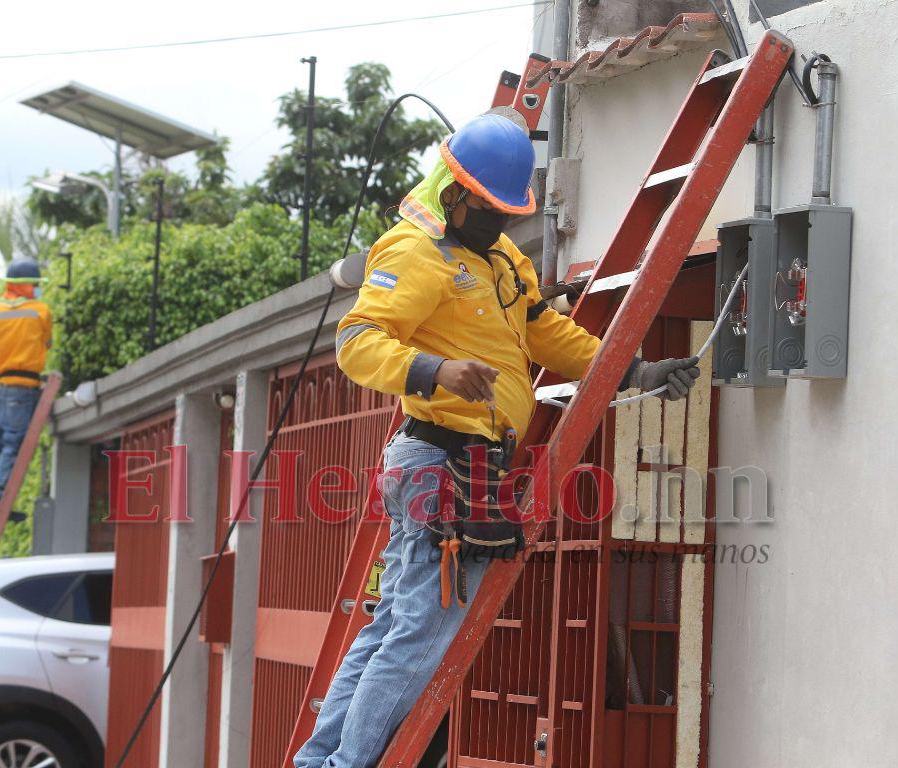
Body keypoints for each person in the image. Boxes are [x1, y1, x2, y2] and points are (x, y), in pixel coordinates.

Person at [294, 114, 700, 768]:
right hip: (438, 460)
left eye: (505, 213)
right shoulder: (411, 251)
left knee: (395, 628)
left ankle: (320, 764)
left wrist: (634, 371)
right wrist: (435, 369)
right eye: (486, 209)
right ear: (451, 192)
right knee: (419, 635)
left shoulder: (503, 258)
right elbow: (355, 342)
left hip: (463, 464)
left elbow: (549, 335)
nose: (496, 222)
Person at [0, 259, 51, 523]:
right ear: (25, 286)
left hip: (0, 387)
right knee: (12, 445)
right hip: (24, 388)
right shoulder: (40, 311)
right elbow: (47, 343)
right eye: (35, 284)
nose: (37, 288)